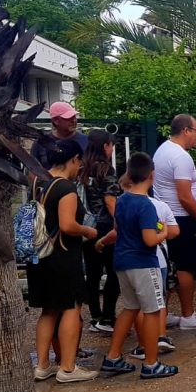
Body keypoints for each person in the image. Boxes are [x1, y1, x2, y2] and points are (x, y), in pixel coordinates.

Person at [28, 139, 100, 383]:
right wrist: (88, 231)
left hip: (39, 255)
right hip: (62, 255)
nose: (80, 168)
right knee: (71, 306)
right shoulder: (66, 188)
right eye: (79, 162)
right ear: (74, 159)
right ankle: (68, 368)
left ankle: (42, 365)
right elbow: (67, 225)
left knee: (48, 310)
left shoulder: (36, 181)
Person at [100, 152, 177, 379]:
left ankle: (113, 356)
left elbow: (118, 229)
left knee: (130, 307)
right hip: (143, 263)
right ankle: (151, 363)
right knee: (152, 311)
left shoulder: (122, 200)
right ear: (151, 175)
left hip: (122, 261)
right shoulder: (146, 205)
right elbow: (150, 240)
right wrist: (163, 232)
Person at [152, 114, 196, 330]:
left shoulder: (162, 150)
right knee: (185, 267)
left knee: (169, 266)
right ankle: (188, 316)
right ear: (186, 130)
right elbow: (184, 196)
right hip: (181, 217)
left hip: (165, 217)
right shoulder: (181, 157)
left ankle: (161, 314)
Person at [80, 129, 122, 333]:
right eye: (111, 145)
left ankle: (95, 316)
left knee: (93, 273)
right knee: (114, 272)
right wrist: (119, 223)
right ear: (105, 146)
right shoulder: (106, 169)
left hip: (86, 226)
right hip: (105, 226)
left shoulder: (82, 168)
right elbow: (110, 200)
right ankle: (108, 317)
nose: (112, 149)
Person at [32, 101, 88, 165]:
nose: (74, 120)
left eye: (74, 117)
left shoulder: (87, 141)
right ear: (56, 121)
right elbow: (32, 167)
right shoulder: (41, 143)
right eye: (68, 118)